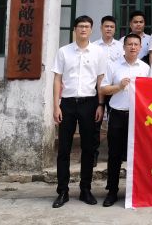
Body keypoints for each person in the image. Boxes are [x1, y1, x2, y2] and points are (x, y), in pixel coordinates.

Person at [50, 15, 106, 208]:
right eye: (80, 26)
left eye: (87, 26)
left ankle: (85, 189)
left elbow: (100, 80)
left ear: (91, 30)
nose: (83, 29)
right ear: (75, 29)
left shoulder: (98, 52)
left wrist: (100, 105)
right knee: (64, 148)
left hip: (89, 103)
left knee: (88, 148)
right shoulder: (64, 52)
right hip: (67, 103)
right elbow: (57, 79)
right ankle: (62, 191)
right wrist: (56, 105)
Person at [99, 33, 150, 207]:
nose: (133, 47)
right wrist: (119, 86)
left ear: (140, 47)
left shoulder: (145, 68)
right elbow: (104, 89)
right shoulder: (113, 65)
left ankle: (136, 191)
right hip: (117, 115)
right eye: (130, 44)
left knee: (138, 155)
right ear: (124, 47)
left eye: (136, 44)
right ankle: (112, 191)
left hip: (138, 117)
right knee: (114, 155)